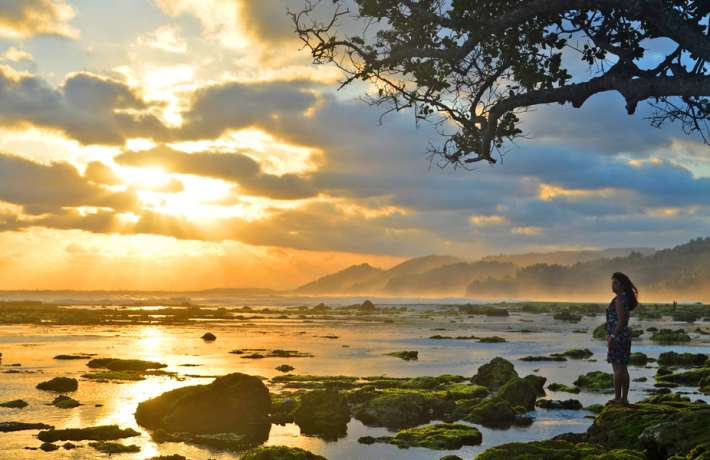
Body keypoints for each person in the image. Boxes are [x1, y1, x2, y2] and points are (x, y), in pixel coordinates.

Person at [606, 272, 638, 405]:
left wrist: (612, 336)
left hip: (618, 337)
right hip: (624, 336)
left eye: (615, 283)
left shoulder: (619, 299)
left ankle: (618, 398)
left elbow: (622, 321)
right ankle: (623, 398)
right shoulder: (625, 298)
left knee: (617, 369)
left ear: (622, 285)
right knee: (623, 368)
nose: (612, 285)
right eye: (612, 282)